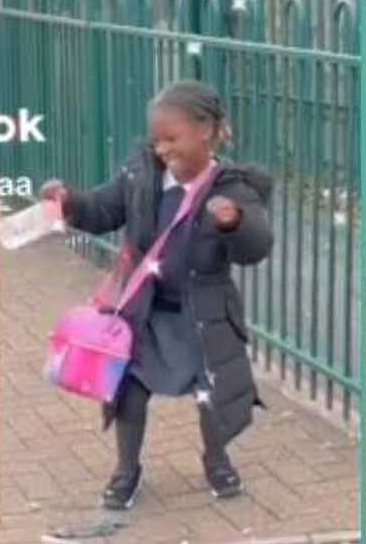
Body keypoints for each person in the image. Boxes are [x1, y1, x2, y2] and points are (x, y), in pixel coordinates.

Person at [40, 80, 274, 510]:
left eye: (172, 138)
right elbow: (102, 210)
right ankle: (126, 470)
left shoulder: (233, 189)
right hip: (146, 309)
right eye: (157, 140)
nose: (163, 148)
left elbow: (256, 248)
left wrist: (234, 222)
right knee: (129, 388)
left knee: (213, 394)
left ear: (205, 133)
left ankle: (217, 459)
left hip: (203, 312)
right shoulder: (140, 175)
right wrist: (70, 202)